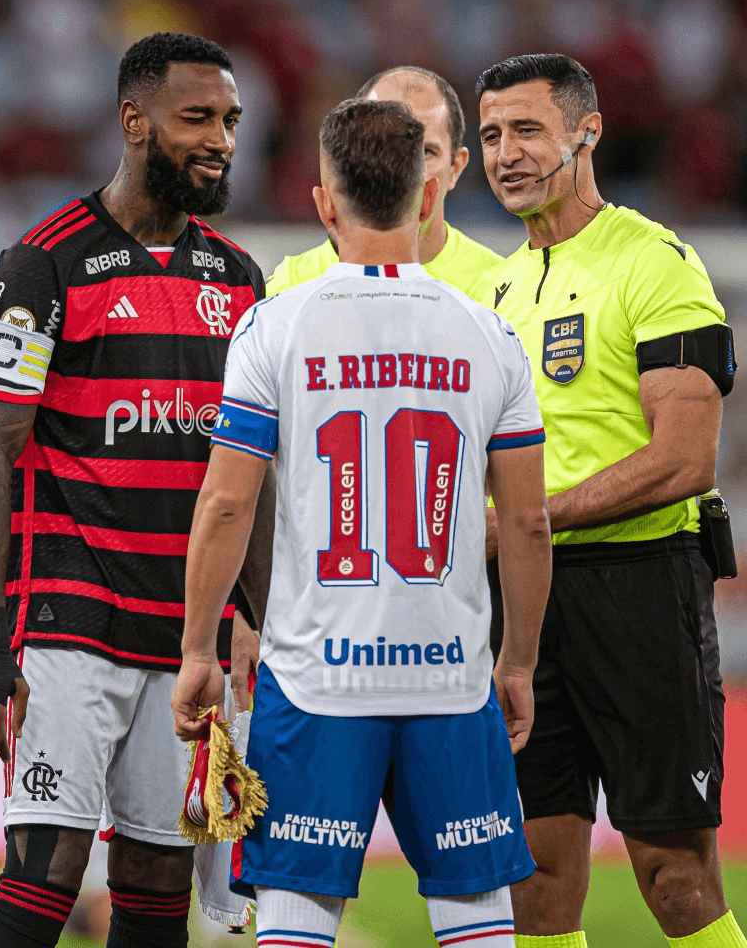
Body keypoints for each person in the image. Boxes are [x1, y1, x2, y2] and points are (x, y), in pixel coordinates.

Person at [172, 98, 553, 948]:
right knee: (478, 918)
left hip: (315, 681)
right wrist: (518, 663)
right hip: (452, 680)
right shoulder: (490, 337)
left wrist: (201, 650)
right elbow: (526, 525)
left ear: (323, 205)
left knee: (298, 917)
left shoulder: (274, 326)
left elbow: (228, 503)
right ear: (427, 198)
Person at [0, 31, 274, 948]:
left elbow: (253, 471)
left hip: (188, 635)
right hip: (72, 617)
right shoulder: (43, 264)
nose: (220, 138)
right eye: (197, 118)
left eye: (231, 121)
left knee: (156, 868)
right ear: (135, 122)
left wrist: (252, 616)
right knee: (47, 863)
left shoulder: (237, 278)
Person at [471, 53, 743, 948]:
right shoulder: (496, 291)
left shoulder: (655, 262)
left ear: (586, 132)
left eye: (527, 131)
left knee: (674, 878)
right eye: (491, 135)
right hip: (523, 607)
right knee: (536, 881)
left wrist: (530, 519)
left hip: (640, 589)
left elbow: (684, 461)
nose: (505, 154)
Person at [266, 65, 501, 296]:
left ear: (455, 168)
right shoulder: (291, 286)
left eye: (425, 152)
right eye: (382, 147)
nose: (403, 169)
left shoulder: (498, 286)